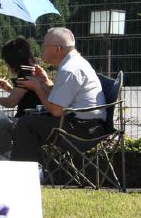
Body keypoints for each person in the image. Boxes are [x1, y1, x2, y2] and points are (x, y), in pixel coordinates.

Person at [11, 27, 106, 162]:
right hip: (87, 125)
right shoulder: (74, 63)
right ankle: (34, 170)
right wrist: (45, 81)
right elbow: (61, 99)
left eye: (44, 45)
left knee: (25, 124)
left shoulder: (70, 70)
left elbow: (56, 110)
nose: (41, 47)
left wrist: (37, 88)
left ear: (57, 49)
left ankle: (25, 174)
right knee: (29, 122)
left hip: (82, 130)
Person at [0, 38, 41, 159]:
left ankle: (5, 157)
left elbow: (10, 103)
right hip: (27, 118)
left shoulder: (26, 74)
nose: (6, 64)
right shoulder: (30, 70)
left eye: (6, 60)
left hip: (28, 121)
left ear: (12, 60)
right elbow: (27, 97)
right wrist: (9, 89)